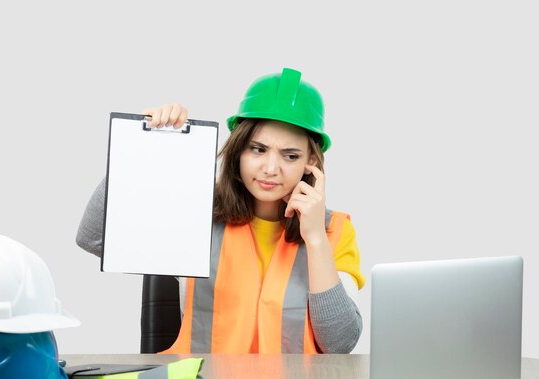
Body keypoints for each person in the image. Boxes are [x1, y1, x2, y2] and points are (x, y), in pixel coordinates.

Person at [76, 68, 365, 354]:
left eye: (290, 156)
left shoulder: (335, 230)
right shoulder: (197, 213)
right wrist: (144, 146)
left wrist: (315, 239)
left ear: (311, 160)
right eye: (258, 149)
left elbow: (340, 344)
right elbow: (94, 238)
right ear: (239, 149)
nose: (270, 168)